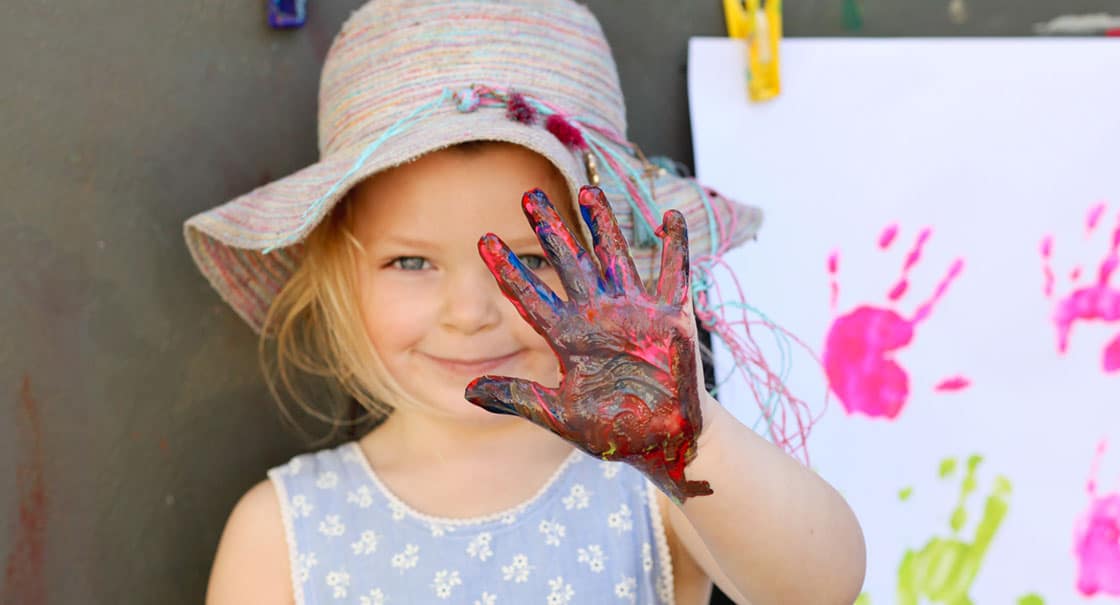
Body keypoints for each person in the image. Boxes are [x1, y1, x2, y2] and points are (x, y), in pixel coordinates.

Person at [190, 1, 865, 603]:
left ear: (612, 262)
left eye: (533, 259)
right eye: (412, 261)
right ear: (340, 273)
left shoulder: (651, 481)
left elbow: (820, 589)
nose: (470, 312)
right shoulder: (283, 529)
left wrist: (696, 444)